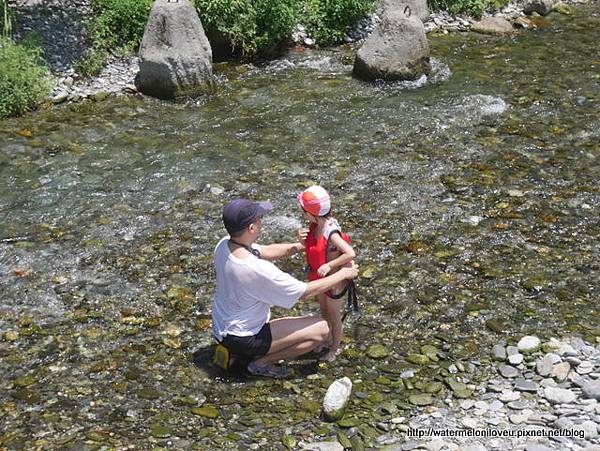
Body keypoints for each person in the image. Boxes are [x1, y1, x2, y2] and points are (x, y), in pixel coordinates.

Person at [212, 198, 358, 379]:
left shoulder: (224, 245)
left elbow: (265, 251)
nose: (261, 221)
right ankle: (260, 363)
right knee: (322, 329)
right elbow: (305, 292)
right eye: (259, 219)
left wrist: (302, 246)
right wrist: (343, 274)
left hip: (222, 329)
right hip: (243, 338)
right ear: (252, 228)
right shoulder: (257, 269)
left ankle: (241, 354)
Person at [297, 185, 356, 363]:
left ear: (311, 214)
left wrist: (329, 265)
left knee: (335, 317)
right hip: (322, 279)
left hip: (334, 282)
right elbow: (313, 247)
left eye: (303, 211)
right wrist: (301, 239)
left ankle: (334, 348)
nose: (302, 214)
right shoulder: (316, 226)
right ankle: (327, 339)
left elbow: (350, 253)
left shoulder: (331, 231)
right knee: (324, 311)